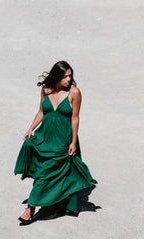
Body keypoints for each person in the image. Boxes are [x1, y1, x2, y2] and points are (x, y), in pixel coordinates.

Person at [14, 61, 97, 223]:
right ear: (56, 77)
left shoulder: (75, 93)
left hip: (63, 139)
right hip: (45, 135)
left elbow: (75, 118)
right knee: (43, 168)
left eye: (70, 76)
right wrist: (30, 128)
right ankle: (51, 200)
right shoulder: (46, 90)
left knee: (47, 172)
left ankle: (30, 208)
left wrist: (73, 142)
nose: (68, 79)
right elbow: (41, 112)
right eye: (65, 76)